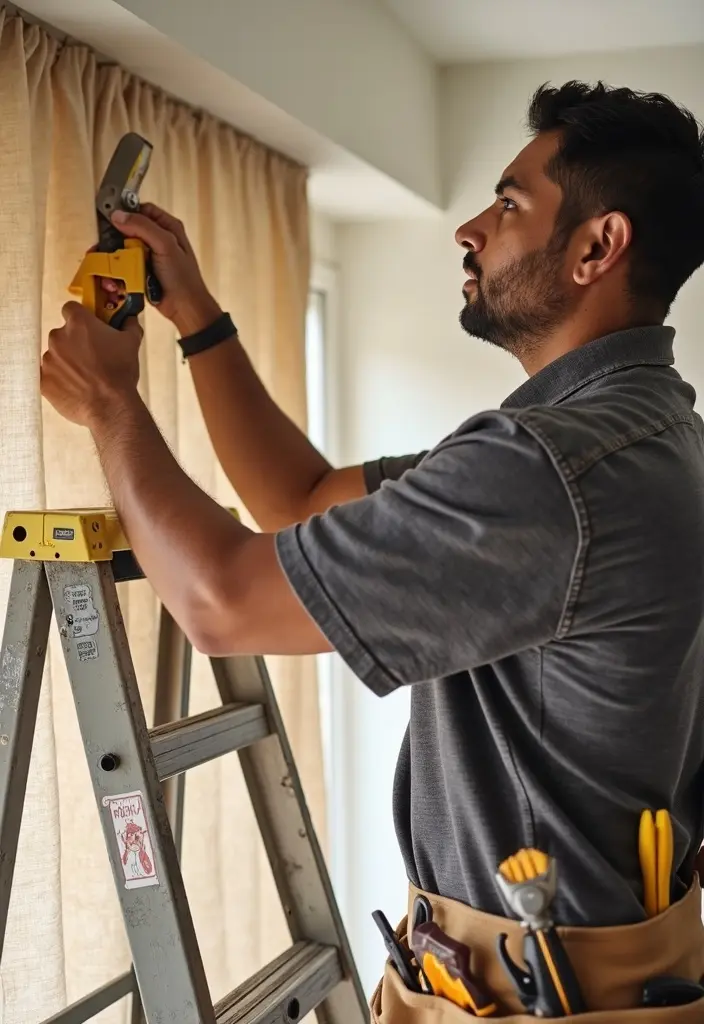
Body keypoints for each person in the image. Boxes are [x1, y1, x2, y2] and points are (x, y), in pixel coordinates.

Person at [41, 80, 704, 1017]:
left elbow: (222, 605)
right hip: (572, 966)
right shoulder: (636, 432)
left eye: (510, 204)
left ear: (600, 246)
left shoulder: (549, 473)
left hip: (540, 991)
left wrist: (111, 406)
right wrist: (198, 317)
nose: (470, 228)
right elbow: (298, 501)